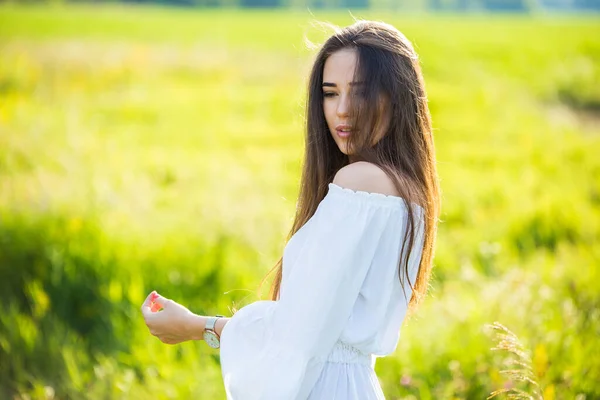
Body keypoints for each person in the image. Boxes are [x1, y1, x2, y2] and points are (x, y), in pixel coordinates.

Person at [141, 19, 440, 400]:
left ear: (397, 96)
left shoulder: (361, 184)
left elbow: (300, 337)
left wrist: (200, 326)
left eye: (360, 92)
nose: (343, 111)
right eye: (330, 94)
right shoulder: (411, 190)